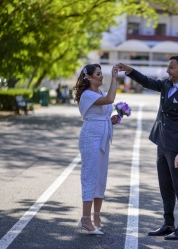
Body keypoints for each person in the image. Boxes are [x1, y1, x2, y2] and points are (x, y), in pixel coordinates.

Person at [117, 55, 178, 240]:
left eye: (171, 67)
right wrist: (130, 71)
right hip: (161, 143)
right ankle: (168, 224)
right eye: (167, 67)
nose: (167, 70)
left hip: (176, 148)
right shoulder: (167, 85)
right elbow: (147, 82)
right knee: (165, 187)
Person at [73, 63, 120, 235]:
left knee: (101, 176)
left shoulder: (99, 92)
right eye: (98, 74)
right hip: (91, 137)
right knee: (90, 175)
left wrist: (113, 118)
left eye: (102, 74)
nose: (102, 76)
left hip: (103, 137)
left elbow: (105, 110)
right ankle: (85, 219)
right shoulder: (87, 94)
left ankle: (96, 217)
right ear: (89, 77)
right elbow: (110, 100)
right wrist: (115, 78)